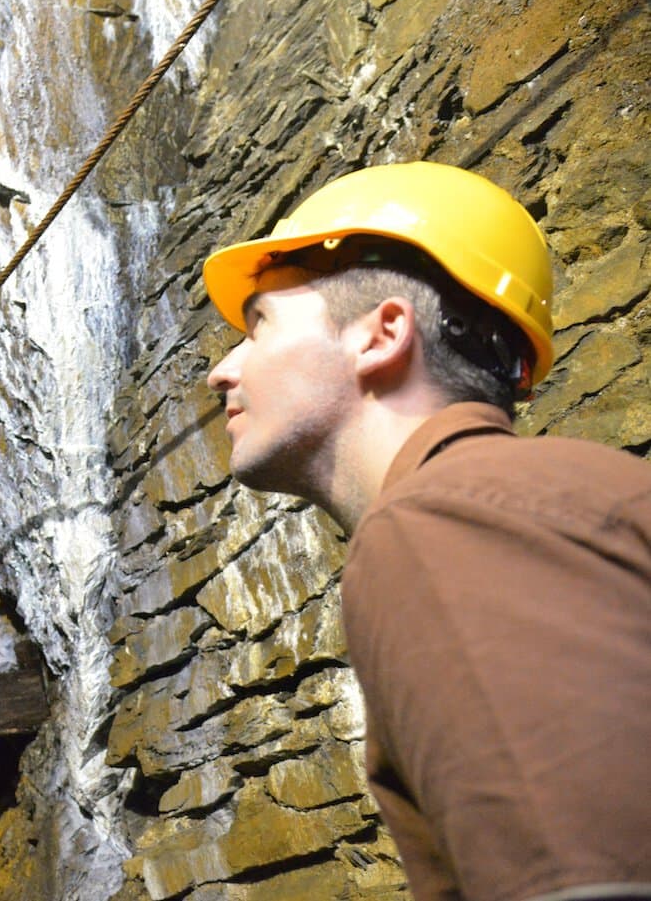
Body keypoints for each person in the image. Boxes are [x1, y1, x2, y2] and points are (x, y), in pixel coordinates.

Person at [199, 161, 651, 901]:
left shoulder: (438, 522)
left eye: (258, 326)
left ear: (380, 335)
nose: (222, 369)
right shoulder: (564, 492)